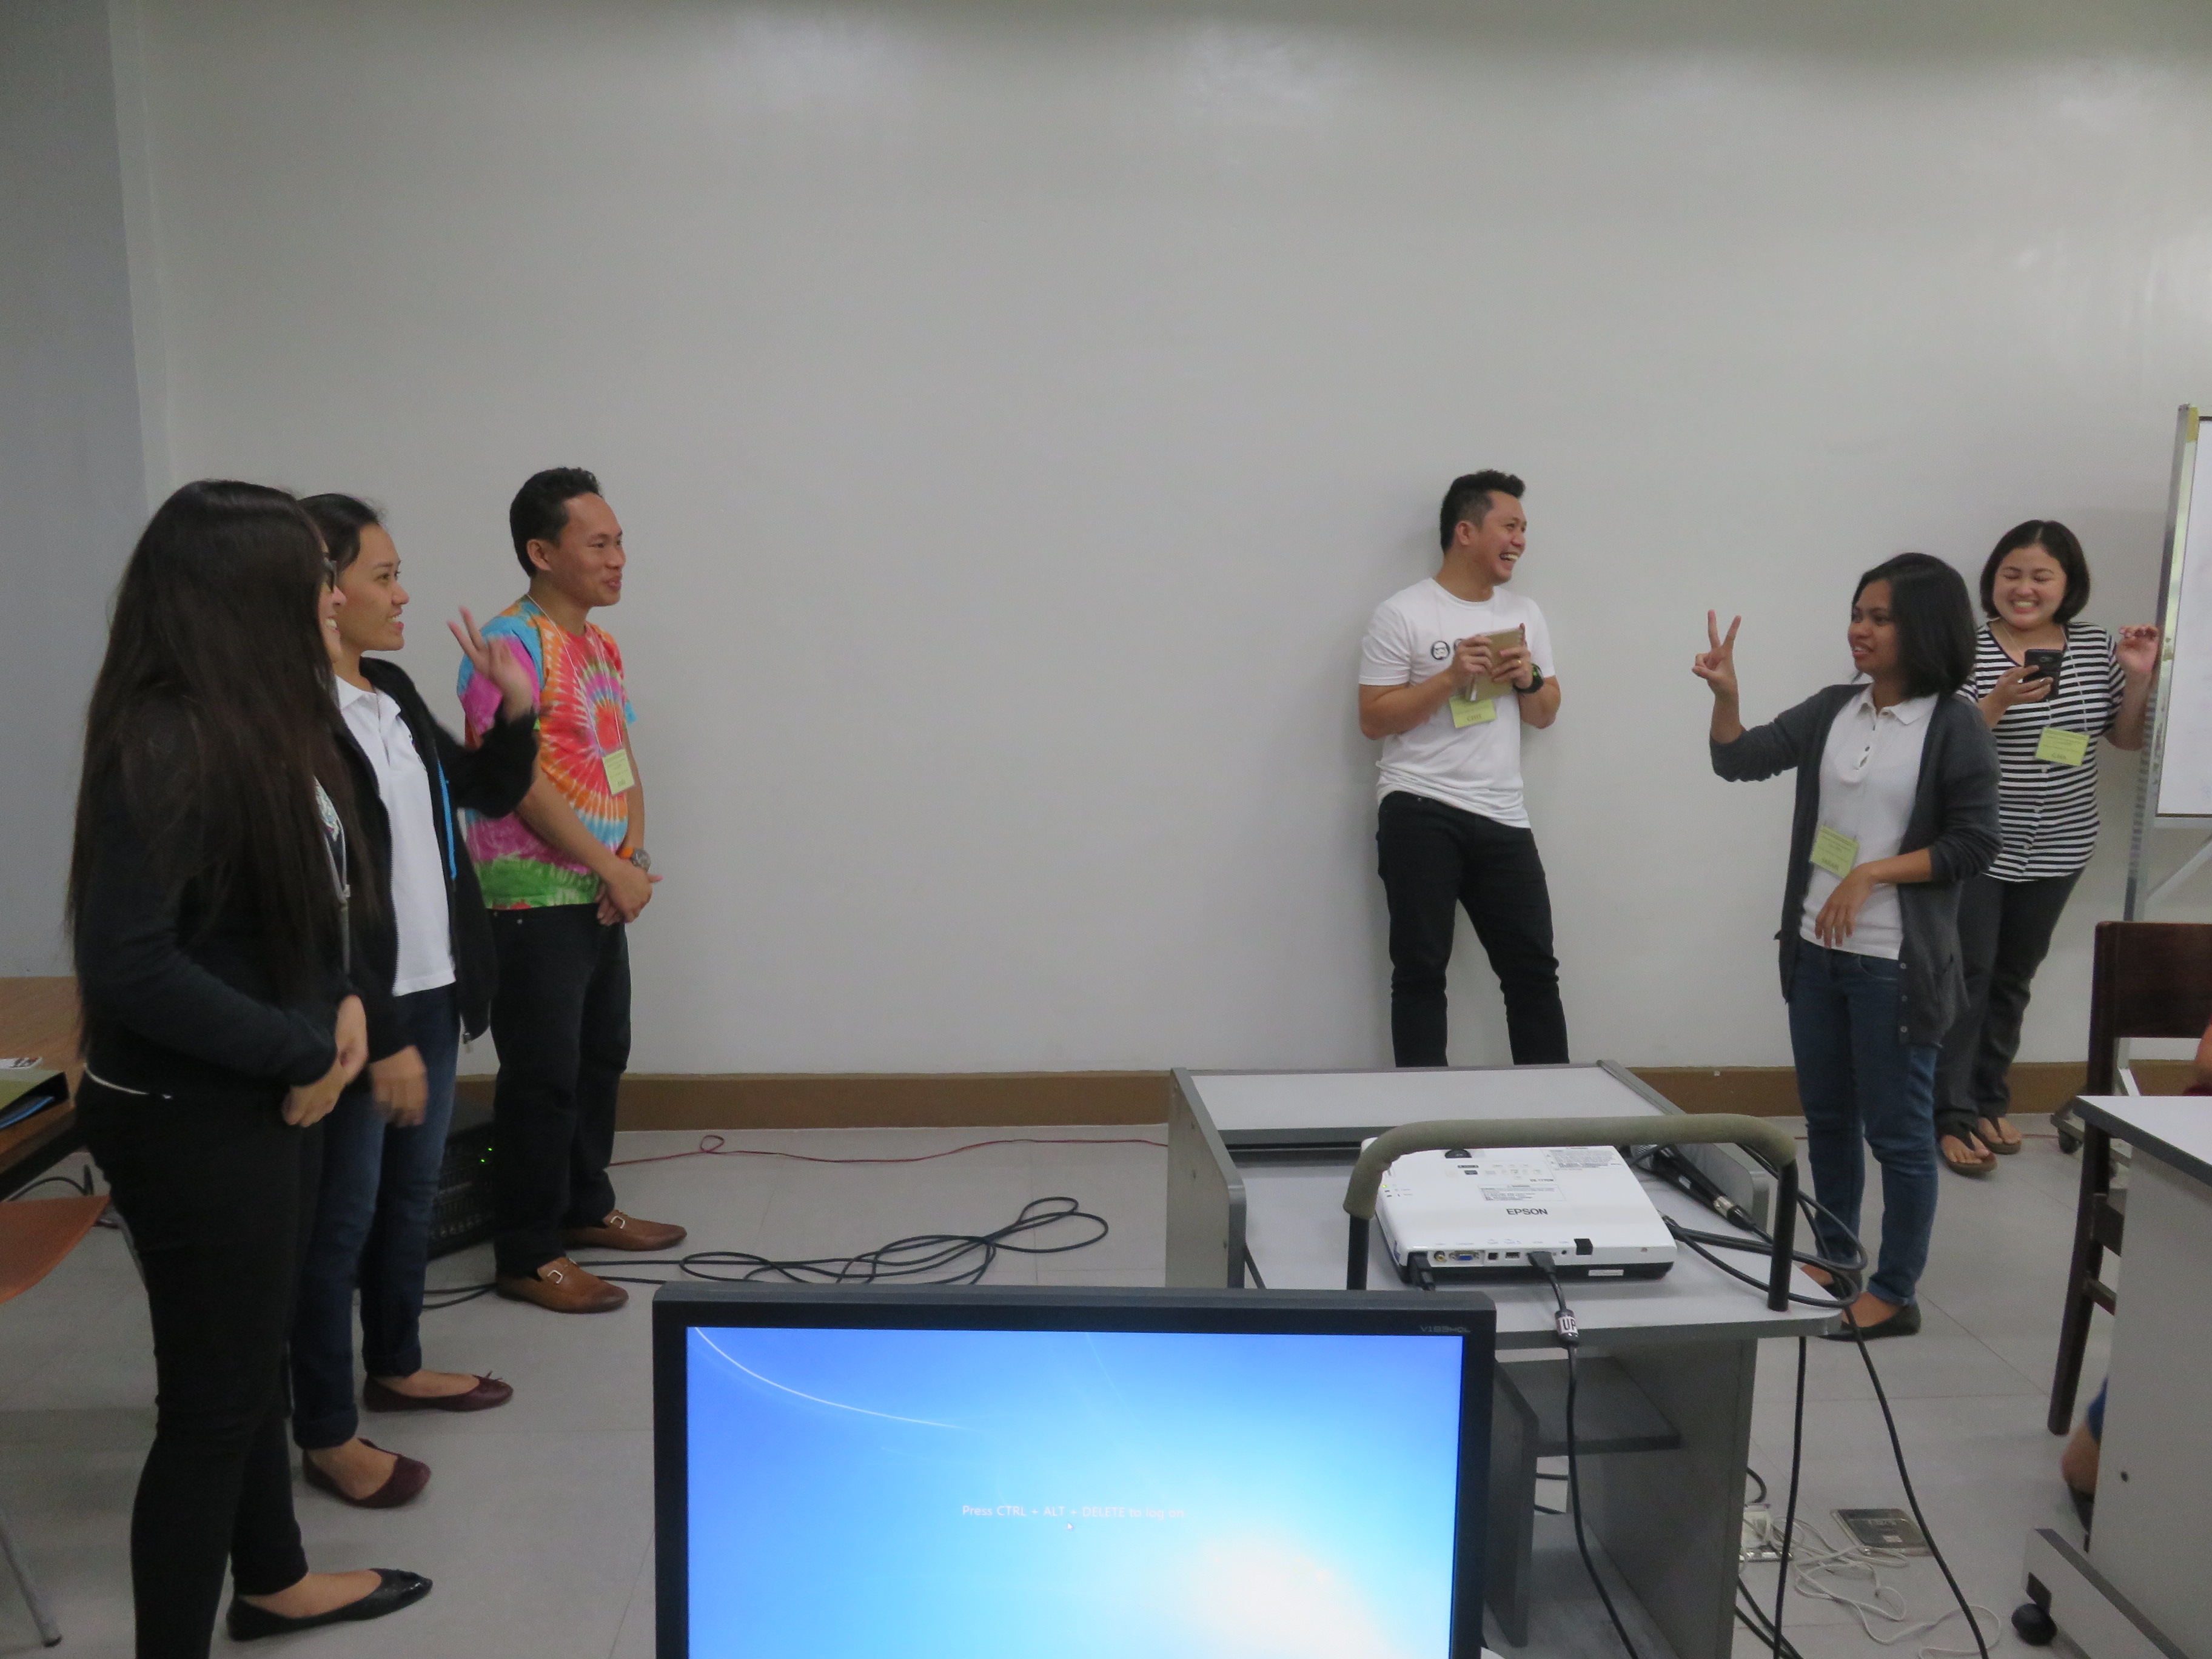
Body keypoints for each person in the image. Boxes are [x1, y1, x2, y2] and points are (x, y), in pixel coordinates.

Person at [68, 480, 429, 1654]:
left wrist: (344, 1006)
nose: (330, 600)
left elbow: (306, 902)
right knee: (212, 1411)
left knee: (249, 1367)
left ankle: (274, 1580)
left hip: (270, 1093)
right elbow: (131, 965)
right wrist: (303, 1046)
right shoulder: (166, 736)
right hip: (195, 1113)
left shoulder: (264, 719)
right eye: (311, 581)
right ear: (242, 596)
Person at [286, 494, 540, 1507]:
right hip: (360, 1012)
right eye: (383, 576)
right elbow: (320, 896)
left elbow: (481, 790)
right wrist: (376, 1021)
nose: (402, 595)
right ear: (323, 590)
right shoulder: (296, 719)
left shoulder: (387, 689)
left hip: (433, 991)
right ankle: (324, 1428)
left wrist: (512, 707)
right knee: (337, 1224)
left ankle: (395, 1364)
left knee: (407, 1199)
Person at [1697, 553, 2000, 1338]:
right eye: (1858, 614)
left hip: (1895, 963)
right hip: (1813, 951)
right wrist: (1726, 698)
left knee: (1897, 1134)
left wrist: (1873, 874)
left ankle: (1895, 1292)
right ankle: (1835, 1259)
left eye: (1880, 618)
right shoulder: (1838, 707)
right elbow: (1739, 760)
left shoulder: (1954, 724)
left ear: (1924, 628)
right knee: (1828, 1121)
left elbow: (1975, 844)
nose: (1859, 630)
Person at [458, 467, 682, 1313]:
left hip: (600, 890)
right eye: (599, 544)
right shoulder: (506, 646)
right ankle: (528, 1252)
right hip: (530, 897)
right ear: (542, 552)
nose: (618, 558)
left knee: (599, 1057)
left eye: (620, 542)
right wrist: (607, 864)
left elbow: (618, 757)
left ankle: (586, 1205)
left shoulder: (598, 645)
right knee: (543, 1077)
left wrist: (631, 859)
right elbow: (516, 782)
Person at [1933, 521, 2159, 1172]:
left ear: (2068, 584)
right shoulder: (1967, 647)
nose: (2024, 588)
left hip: (2062, 841)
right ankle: (1948, 1114)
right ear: (1993, 580)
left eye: (2041, 576)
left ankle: (1988, 1099)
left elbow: (2124, 739)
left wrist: (2137, 679)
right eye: (2012, 574)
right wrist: (1998, 701)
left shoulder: (2095, 647)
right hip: (1979, 844)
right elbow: (1941, 745)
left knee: (2013, 977)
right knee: (1969, 974)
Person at [1359, 470, 1566, 1068]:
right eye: (1509, 526)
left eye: (1524, 529)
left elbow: (1545, 713)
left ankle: (1555, 1109)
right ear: (1466, 532)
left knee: (1533, 971)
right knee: (1420, 971)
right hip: (1420, 808)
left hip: (1503, 813)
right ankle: (1426, 1116)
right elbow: (1373, 718)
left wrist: (1527, 678)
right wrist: (1450, 677)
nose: (1520, 540)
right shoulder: (1403, 613)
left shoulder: (1524, 614)